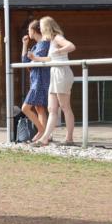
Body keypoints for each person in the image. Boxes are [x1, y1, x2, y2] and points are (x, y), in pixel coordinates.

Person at [27, 17, 76, 146]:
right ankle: (45, 138)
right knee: (51, 108)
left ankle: (69, 138)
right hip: (54, 73)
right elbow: (50, 58)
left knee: (65, 107)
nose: (40, 30)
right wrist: (35, 58)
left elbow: (71, 46)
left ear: (47, 27)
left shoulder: (57, 37)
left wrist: (59, 51)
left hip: (61, 73)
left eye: (41, 27)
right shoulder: (51, 41)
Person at [20, 18, 50, 142]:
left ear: (33, 30)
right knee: (39, 108)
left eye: (29, 30)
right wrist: (25, 44)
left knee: (25, 108)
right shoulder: (36, 46)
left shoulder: (44, 44)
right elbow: (25, 62)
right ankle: (45, 136)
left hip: (40, 81)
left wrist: (32, 60)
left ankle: (42, 131)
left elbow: (34, 61)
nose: (28, 32)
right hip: (35, 80)